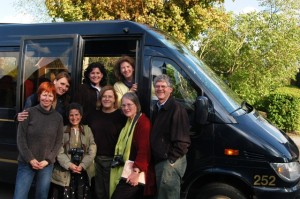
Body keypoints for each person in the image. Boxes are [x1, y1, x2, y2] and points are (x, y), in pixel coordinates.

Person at [13, 82, 64, 199]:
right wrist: (30, 159)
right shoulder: (28, 113)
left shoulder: (58, 118)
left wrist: (48, 160)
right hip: (26, 163)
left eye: (50, 95)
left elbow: (58, 142)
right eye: (44, 95)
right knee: (19, 196)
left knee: (42, 196)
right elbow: (20, 139)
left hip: (45, 165)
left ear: (54, 98)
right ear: (39, 96)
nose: (47, 98)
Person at [150, 74, 191, 199]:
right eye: (157, 86)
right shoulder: (158, 107)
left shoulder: (176, 109)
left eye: (163, 86)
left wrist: (171, 161)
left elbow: (182, 141)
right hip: (161, 161)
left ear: (170, 89)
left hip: (169, 163)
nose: (160, 89)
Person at [110, 92, 155, 199]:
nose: (126, 108)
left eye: (129, 104)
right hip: (128, 169)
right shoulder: (129, 122)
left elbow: (144, 149)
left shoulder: (143, 122)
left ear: (137, 105)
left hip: (134, 172)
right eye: (123, 105)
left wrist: (136, 172)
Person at [50, 102, 97, 199]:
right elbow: (59, 151)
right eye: (71, 115)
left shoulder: (87, 130)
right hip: (65, 172)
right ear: (67, 116)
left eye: (77, 115)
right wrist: (69, 165)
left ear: (81, 115)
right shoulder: (62, 130)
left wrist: (82, 165)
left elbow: (92, 149)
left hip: (83, 171)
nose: (74, 118)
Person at [87, 86, 126, 199]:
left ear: (115, 99)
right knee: (98, 192)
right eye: (104, 96)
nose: (107, 99)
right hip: (95, 159)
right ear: (100, 98)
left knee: (111, 191)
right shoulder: (93, 115)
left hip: (113, 160)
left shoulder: (121, 116)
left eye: (110, 96)